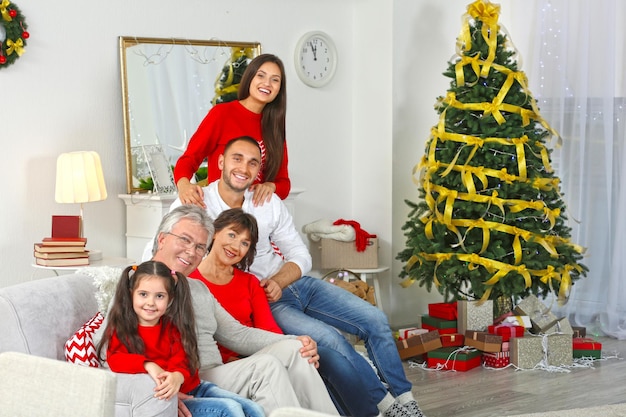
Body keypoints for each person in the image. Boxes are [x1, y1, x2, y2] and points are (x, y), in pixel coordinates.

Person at [170, 137, 426, 417]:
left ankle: (406, 401)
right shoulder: (197, 202)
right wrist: (182, 183)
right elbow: (165, 250)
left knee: (375, 320)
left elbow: (301, 255)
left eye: (252, 162)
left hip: (293, 284)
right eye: (237, 159)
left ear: (258, 171)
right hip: (267, 297)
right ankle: (386, 408)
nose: (244, 168)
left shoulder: (266, 200)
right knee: (330, 340)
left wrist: (280, 280)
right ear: (220, 162)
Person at [149, 205, 338, 417]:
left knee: (296, 350)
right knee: (266, 367)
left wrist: (297, 339)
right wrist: (157, 395)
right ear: (162, 239)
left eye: (200, 247)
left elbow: (237, 334)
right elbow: (114, 350)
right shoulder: (140, 287)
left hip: (214, 372)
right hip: (186, 379)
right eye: (184, 239)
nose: (192, 252)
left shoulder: (197, 288)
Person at [190, 208, 377, 416]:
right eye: (232, 235)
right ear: (215, 232)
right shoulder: (192, 282)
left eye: (245, 243)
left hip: (253, 352)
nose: (236, 246)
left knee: (302, 351)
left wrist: (299, 342)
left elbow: (269, 331)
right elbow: (209, 340)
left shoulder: (250, 283)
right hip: (224, 365)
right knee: (282, 359)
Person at [97, 261, 264, 417]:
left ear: (170, 299)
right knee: (230, 409)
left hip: (195, 387)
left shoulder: (173, 327)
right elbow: (116, 360)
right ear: (131, 293)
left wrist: (178, 376)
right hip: (168, 397)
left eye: (159, 296)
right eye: (143, 294)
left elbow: (184, 359)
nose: (151, 302)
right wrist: (149, 365)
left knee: (253, 408)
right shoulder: (121, 328)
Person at [174, 53, 291, 207]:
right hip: (219, 212)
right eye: (261, 76)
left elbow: (284, 184)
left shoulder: (274, 127)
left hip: (256, 216)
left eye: (275, 80)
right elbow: (188, 159)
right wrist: (184, 186)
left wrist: (271, 186)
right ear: (250, 78)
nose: (267, 83)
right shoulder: (222, 114)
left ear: (279, 89)